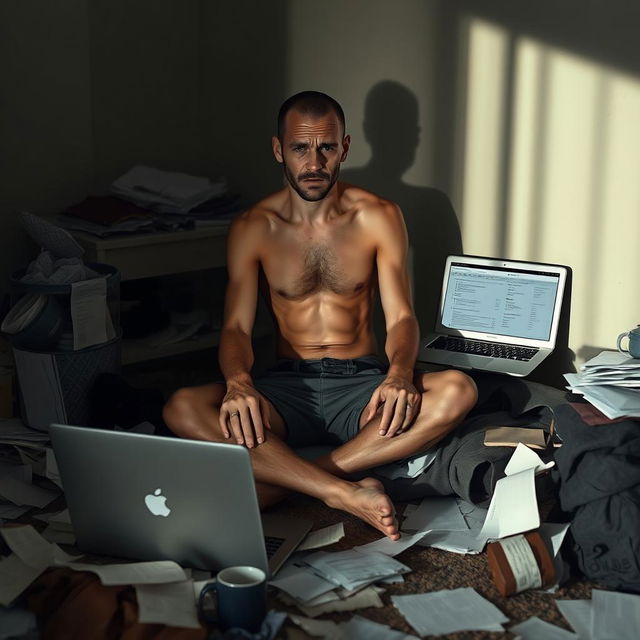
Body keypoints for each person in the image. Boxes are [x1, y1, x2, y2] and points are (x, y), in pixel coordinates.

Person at [163, 91, 478, 540]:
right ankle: (344, 491)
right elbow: (236, 327)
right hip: (287, 386)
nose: (314, 162)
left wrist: (400, 374)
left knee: (458, 391)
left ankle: (308, 478)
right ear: (279, 150)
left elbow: (402, 316)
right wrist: (238, 384)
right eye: (300, 148)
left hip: (363, 385)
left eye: (326, 147)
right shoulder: (254, 226)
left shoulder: (379, 216)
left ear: (344, 148)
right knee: (183, 406)